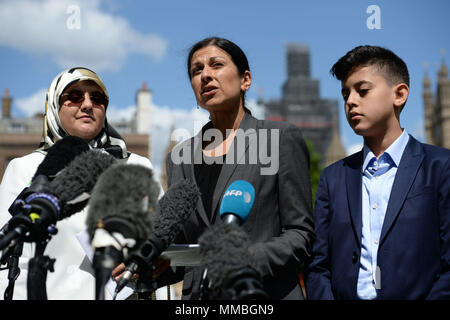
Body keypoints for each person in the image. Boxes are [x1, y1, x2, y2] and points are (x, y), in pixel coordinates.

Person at [156, 37, 315, 300]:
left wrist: (247, 260)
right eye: (197, 70)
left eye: (216, 65)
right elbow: (188, 249)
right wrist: (155, 265)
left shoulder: (279, 139)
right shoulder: (179, 157)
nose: (205, 75)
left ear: (245, 80)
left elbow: (301, 234)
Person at [304, 45, 450, 300]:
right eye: (345, 94)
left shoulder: (440, 167)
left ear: (400, 94)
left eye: (362, 90)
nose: (350, 101)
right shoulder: (333, 177)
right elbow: (319, 265)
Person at [0, 67, 156, 299]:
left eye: (97, 98)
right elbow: (10, 263)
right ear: (54, 106)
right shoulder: (25, 169)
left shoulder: (138, 167)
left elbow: (160, 252)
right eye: (73, 97)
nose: (87, 104)